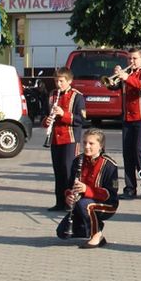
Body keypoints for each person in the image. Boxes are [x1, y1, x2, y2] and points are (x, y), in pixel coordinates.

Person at [106, 47, 141, 199]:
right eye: (129, 59)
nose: (132, 61)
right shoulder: (126, 73)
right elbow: (113, 86)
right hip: (128, 117)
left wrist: (126, 77)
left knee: (140, 150)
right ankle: (130, 188)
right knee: (128, 153)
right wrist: (115, 77)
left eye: (135, 58)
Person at [57, 128, 119, 248]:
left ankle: (96, 235)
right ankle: (94, 225)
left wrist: (87, 190)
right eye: (84, 142)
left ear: (100, 146)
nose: (86, 146)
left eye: (91, 143)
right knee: (62, 233)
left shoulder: (109, 164)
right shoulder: (77, 160)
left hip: (107, 204)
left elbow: (110, 193)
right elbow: (69, 186)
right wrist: (69, 196)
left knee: (85, 204)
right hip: (82, 203)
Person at [44, 67, 86, 212]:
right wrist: (47, 121)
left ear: (69, 81)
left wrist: (64, 114)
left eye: (61, 81)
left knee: (69, 171)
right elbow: (45, 115)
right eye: (56, 81)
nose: (58, 84)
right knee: (58, 171)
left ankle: (71, 203)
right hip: (55, 138)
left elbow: (82, 119)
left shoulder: (77, 96)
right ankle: (59, 202)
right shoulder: (52, 95)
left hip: (70, 138)